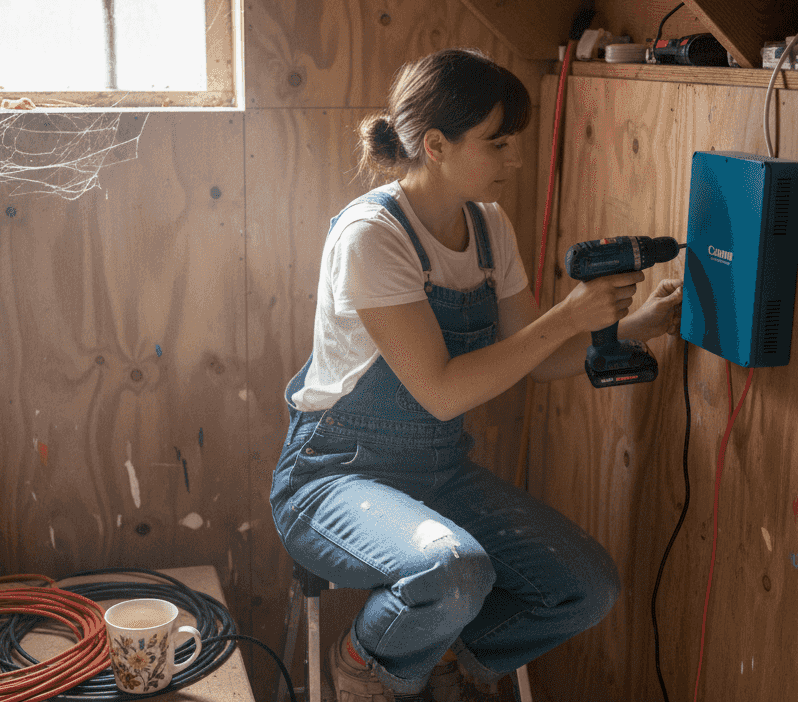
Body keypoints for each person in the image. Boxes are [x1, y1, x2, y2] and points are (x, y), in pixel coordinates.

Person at [269, 48, 683, 702]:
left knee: (587, 588)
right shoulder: (372, 237)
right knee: (453, 570)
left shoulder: (488, 228)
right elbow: (441, 391)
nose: (514, 159)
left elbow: (538, 359)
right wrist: (569, 315)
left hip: (436, 473)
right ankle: (365, 660)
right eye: (498, 143)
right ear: (436, 144)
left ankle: (439, 655)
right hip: (336, 475)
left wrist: (629, 327)